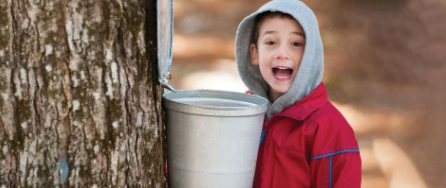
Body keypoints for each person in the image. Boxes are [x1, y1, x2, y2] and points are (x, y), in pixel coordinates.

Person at [235, 0, 362, 187]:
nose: (282, 53)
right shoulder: (243, 114)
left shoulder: (330, 129)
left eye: (296, 43)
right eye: (271, 42)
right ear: (254, 53)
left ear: (311, 54)